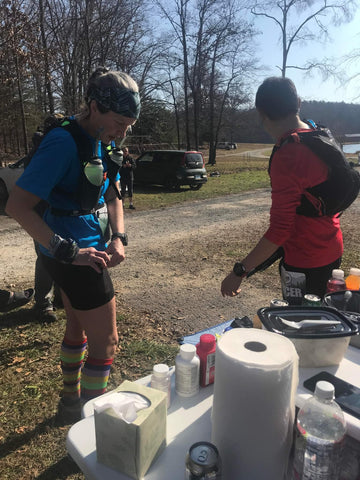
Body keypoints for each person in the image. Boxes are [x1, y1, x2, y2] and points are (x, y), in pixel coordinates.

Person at [6, 67, 141, 416]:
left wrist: (120, 237)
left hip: (81, 248)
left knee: (77, 323)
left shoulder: (101, 138)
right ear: (94, 106)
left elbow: (113, 195)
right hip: (74, 254)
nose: (122, 133)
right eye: (119, 122)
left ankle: (70, 402)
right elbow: (17, 206)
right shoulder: (62, 142)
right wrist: (69, 251)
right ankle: (89, 422)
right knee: (107, 341)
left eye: (128, 125)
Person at [221, 77, 343, 304]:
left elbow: (280, 231)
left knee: (302, 326)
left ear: (262, 114)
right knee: (323, 320)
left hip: (305, 260)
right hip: (333, 248)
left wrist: (239, 271)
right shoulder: (318, 133)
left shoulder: (288, 155)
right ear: (298, 102)